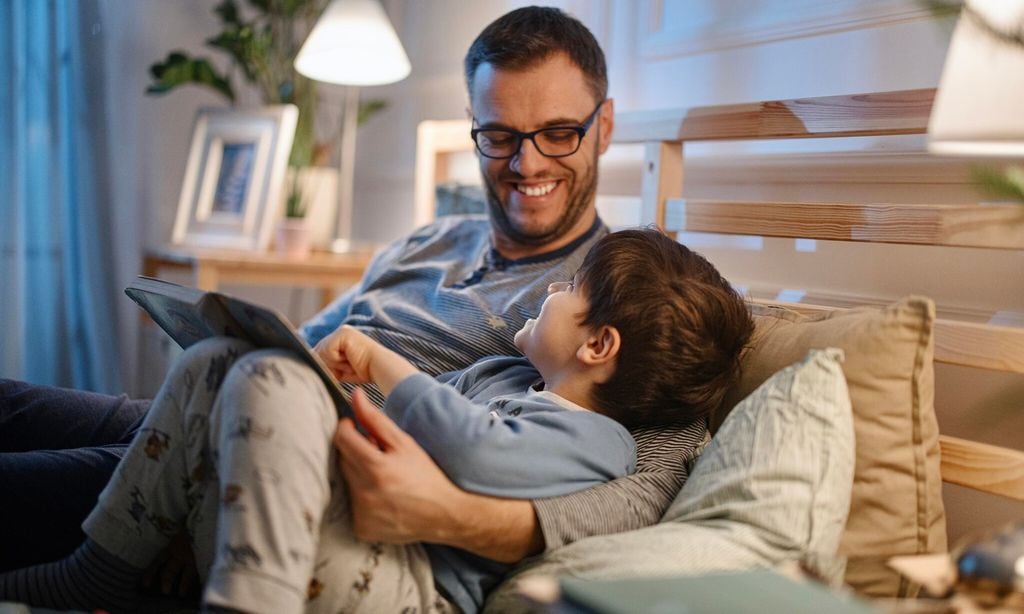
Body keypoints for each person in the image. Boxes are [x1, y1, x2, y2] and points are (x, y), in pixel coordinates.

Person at [0, 4, 705, 590]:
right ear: (473, 128)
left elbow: (651, 483)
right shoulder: (428, 239)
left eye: (558, 133)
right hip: (236, 408)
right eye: (498, 136)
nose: (527, 164)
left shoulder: (615, 301)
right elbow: (307, 338)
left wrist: (451, 515)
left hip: (304, 459)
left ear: (604, 126)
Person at [0, 228, 754, 613]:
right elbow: (420, 409)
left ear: (598, 344)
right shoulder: (503, 364)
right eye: (495, 133)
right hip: (298, 467)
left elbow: (473, 455)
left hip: (401, 585)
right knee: (219, 360)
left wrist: (379, 364)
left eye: (568, 289)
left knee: (264, 375)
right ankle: (100, 567)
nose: (549, 293)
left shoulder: (603, 441)